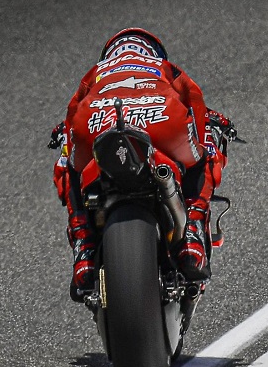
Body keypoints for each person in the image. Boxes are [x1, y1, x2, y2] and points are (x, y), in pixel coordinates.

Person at [49, 28, 232, 300]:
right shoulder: (163, 67)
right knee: (205, 152)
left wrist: (63, 132)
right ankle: (192, 229)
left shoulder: (96, 73)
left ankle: (84, 246)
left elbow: (73, 112)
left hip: (98, 125)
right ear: (153, 51)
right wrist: (215, 123)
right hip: (161, 120)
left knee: (69, 166)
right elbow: (194, 99)